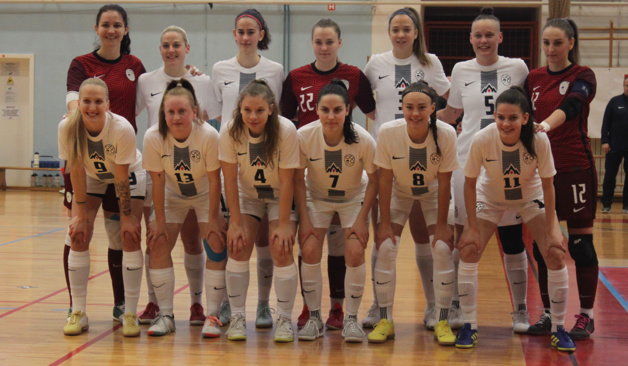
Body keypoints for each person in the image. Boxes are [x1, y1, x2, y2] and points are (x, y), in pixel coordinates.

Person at [457, 86, 575, 352]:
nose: (505, 123)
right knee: (468, 249)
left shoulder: (538, 139)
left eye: (512, 118)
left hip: (530, 197)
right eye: (500, 117)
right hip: (490, 198)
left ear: (525, 118)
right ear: (495, 117)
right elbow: (469, 183)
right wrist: (471, 228)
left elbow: (548, 185)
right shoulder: (482, 139)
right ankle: (469, 325)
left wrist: (554, 229)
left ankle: (558, 328)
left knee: (555, 253)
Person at [437, 7, 531, 334]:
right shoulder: (461, 69)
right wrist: (414, 120)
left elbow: (528, 110)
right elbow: (452, 112)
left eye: (490, 34)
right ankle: (455, 303)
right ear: (471, 39)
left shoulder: (517, 68)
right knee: (464, 236)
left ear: (500, 37)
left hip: (508, 163)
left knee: (511, 238)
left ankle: (520, 309)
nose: (483, 40)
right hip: (468, 164)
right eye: (478, 35)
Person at [279, 17, 376, 330]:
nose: (324, 47)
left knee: (346, 247)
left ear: (339, 43)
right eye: (318, 41)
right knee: (308, 245)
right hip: (313, 172)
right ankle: (311, 312)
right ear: (312, 43)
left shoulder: (354, 79)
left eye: (329, 41)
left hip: (348, 174)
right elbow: (283, 119)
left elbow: (374, 109)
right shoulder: (296, 78)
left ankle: (342, 311)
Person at [363, 7, 453, 330]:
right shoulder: (376, 63)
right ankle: (378, 305)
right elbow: (365, 100)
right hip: (386, 157)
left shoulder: (431, 63)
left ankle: (433, 307)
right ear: (389, 33)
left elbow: (446, 100)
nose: (401, 34)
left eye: (407, 29)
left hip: (423, 158)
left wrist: (430, 130)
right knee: (383, 235)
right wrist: (385, 125)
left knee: (422, 235)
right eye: (395, 29)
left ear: (416, 33)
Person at [63, 3, 146, 325]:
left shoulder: (134, 65)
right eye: (105, 24)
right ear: (97, 29)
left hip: (121, 161)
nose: (111, 30)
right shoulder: (81, 64)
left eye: (117, 25)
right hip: (85, 160)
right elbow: (75, 101)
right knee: (78, 230)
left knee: (120, 234)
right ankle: (76, 308)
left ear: (125, 30)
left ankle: (122, 306)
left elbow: (150, 97)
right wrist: (85, 117)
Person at [136, 25, 221, 327]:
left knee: (204, 241)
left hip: (200, 188)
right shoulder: (147, 88)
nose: (175, 116)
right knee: (157, 240)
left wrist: (213, 217)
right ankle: (163, 311)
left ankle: (206, 308)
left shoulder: (208, 131)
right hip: (168, 184)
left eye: (177, 45)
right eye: (165, 45)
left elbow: (214, 179)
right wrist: (158, 219)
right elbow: (157, 181)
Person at [525, 18, 598, 341]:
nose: (551, 49)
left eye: (557, 43)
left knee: (581, 244)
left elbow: (571, 107)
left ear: (571, 43)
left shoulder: (582, 76)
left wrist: (545, 127)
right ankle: (548, 314)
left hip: (574, 169)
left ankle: (586, 315)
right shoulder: (534, 78)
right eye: (546, 43)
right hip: (540, 173)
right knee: (543, 247)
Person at [369, 81, 458, 344]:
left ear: (433, 107)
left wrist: (442, 225)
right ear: (402, 108)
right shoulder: (388, 132)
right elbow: (384, 181)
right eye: (409, 107)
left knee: (442, 248)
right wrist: (384, 224)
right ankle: (385, 319)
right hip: (399, 191)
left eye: (421, 107)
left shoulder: (446, 134)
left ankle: (441, 318)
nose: (415, 113)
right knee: (385, 246)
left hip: (432, 192)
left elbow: (444, 183)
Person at [212, 9, 284, 328]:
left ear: (261, 35)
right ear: (234, 34)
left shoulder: (276, 69)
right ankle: (229, 304)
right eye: (240, 31)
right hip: (233, 163)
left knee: (267, 240)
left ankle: (264, 306)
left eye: (251, 32)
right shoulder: (219, 69)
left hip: (266, 164)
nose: (245, 37)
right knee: (235, 236)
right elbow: (217, 114)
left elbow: (276, 115)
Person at [294, 80, 378, 343]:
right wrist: (305, 221)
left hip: (352, 198)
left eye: (337, 110)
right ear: (316, 110)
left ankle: (351, 319)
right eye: (325, 110)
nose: (331, 116)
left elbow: (375, 181)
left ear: (347, 110)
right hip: (316, 197)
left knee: (354, 251)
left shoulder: (363, 139)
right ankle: (315, 318)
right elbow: (297, 178)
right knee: (308, 249)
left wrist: (363, 220)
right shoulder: (304, 136)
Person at [219, 80, 300, 342]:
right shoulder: (230, 131)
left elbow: (288, 180)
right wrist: (234, 222)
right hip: (248, 194)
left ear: (271, 110)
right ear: (239, 110)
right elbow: (230, 180)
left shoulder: (286, 130)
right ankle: (238, 317)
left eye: (259, 111)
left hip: (279, 194)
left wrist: (285, 223)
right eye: (247, 110)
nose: (253, 117)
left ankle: (285, 319)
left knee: (281, 246)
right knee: (238, 244)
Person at [600, 75, 628, 214]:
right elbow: (605, 123)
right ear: (624, 86)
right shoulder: (614, 101)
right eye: (627, 86)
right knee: (610, 175)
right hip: (614, 146)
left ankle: (626, 206)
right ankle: (606, 205)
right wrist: (605, 141)